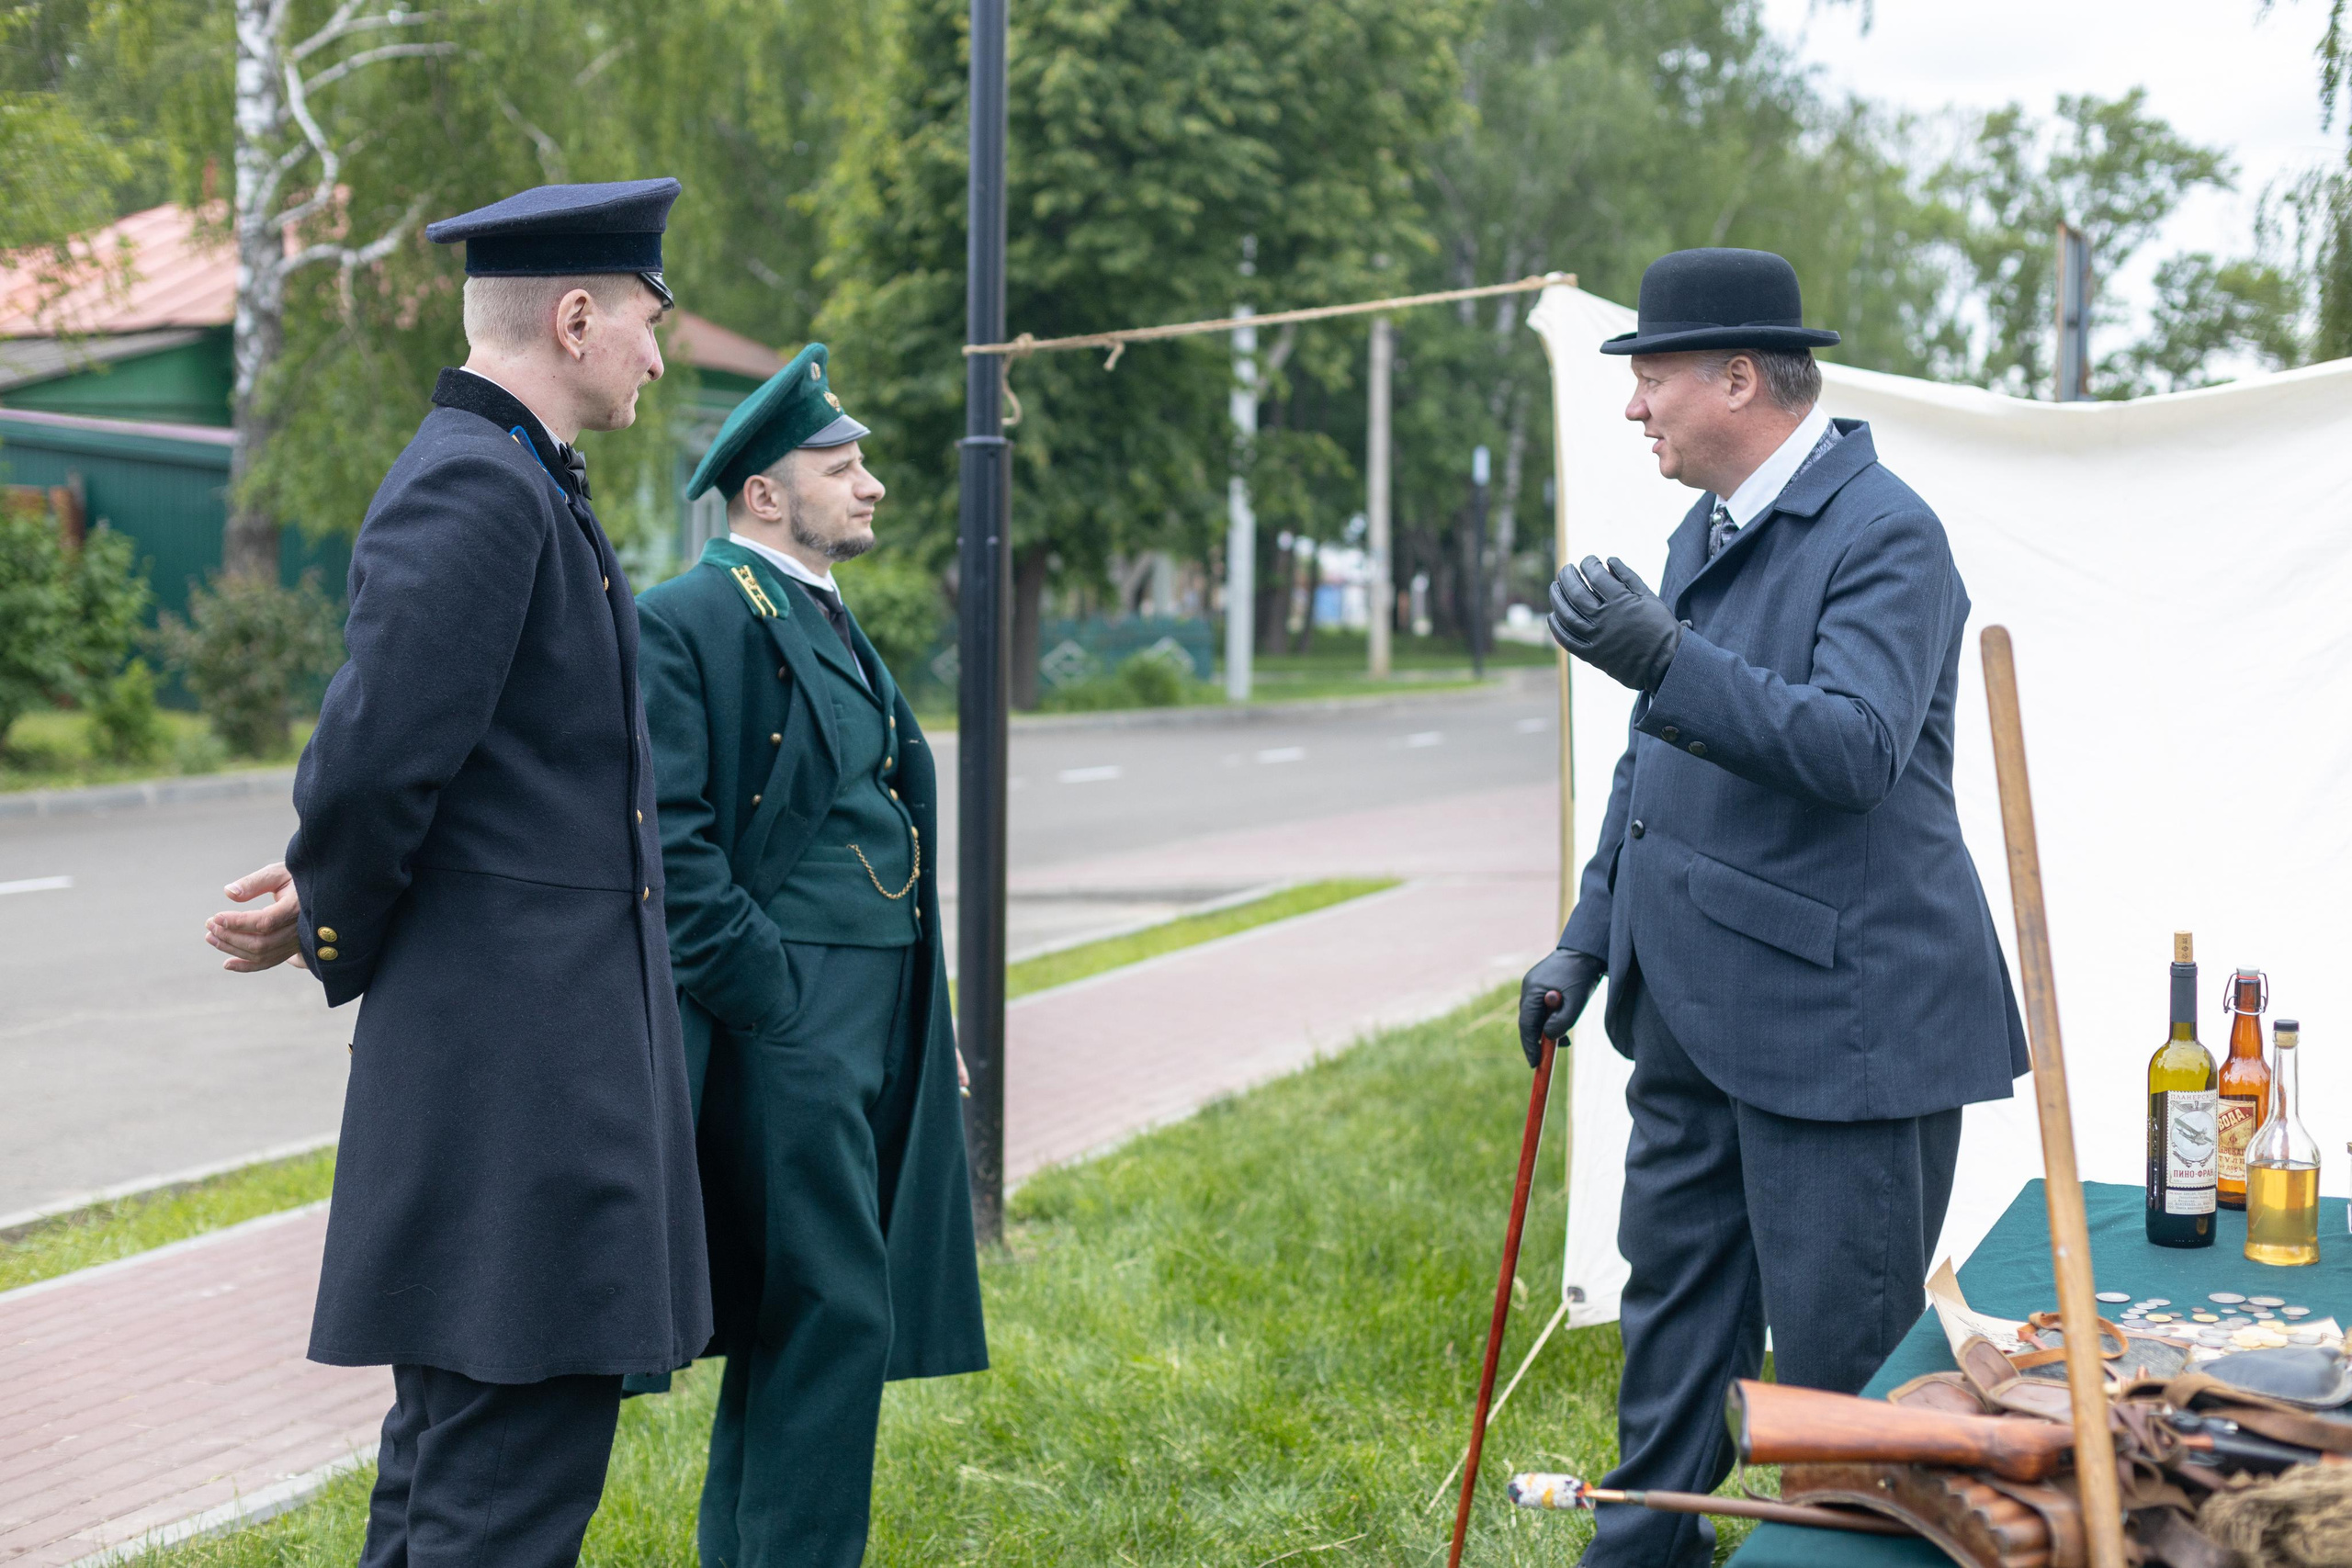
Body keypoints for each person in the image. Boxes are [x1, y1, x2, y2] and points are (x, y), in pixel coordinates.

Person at [201, 178, 710, 1568]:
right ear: (577, 317)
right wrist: (328, 907)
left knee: (456, 1481)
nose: (660, 357)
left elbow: (449, 770)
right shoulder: (483, 484)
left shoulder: (517, 478)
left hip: (525, 1084)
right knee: (500, 1500)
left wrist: (331, 890)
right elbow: (372, 764)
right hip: (518, 1093)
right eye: (651, 323)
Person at [1516, 247, 2029, 1568]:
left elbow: (1855, 749)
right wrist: (1585, 939)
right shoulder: (1708, 528)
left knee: (1841, 1394)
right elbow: (1653, 769)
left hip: (1844, 1031)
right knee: (1673, 1342)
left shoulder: (1888, 532)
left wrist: (1663, 655)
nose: (1635, 405)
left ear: (1739, 378)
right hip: (1691, 1011)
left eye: (1654, 377)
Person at [633, 343, 987, 1568]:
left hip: (873, 1001)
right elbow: (673, 848)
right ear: (765, 495)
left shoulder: (815, 608)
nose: (870, 483)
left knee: (813, 1312)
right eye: (840, 467)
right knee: (832, 1308)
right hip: (797, 1011)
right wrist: (774, 1003)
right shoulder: (689, 618)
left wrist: (918, 1023)